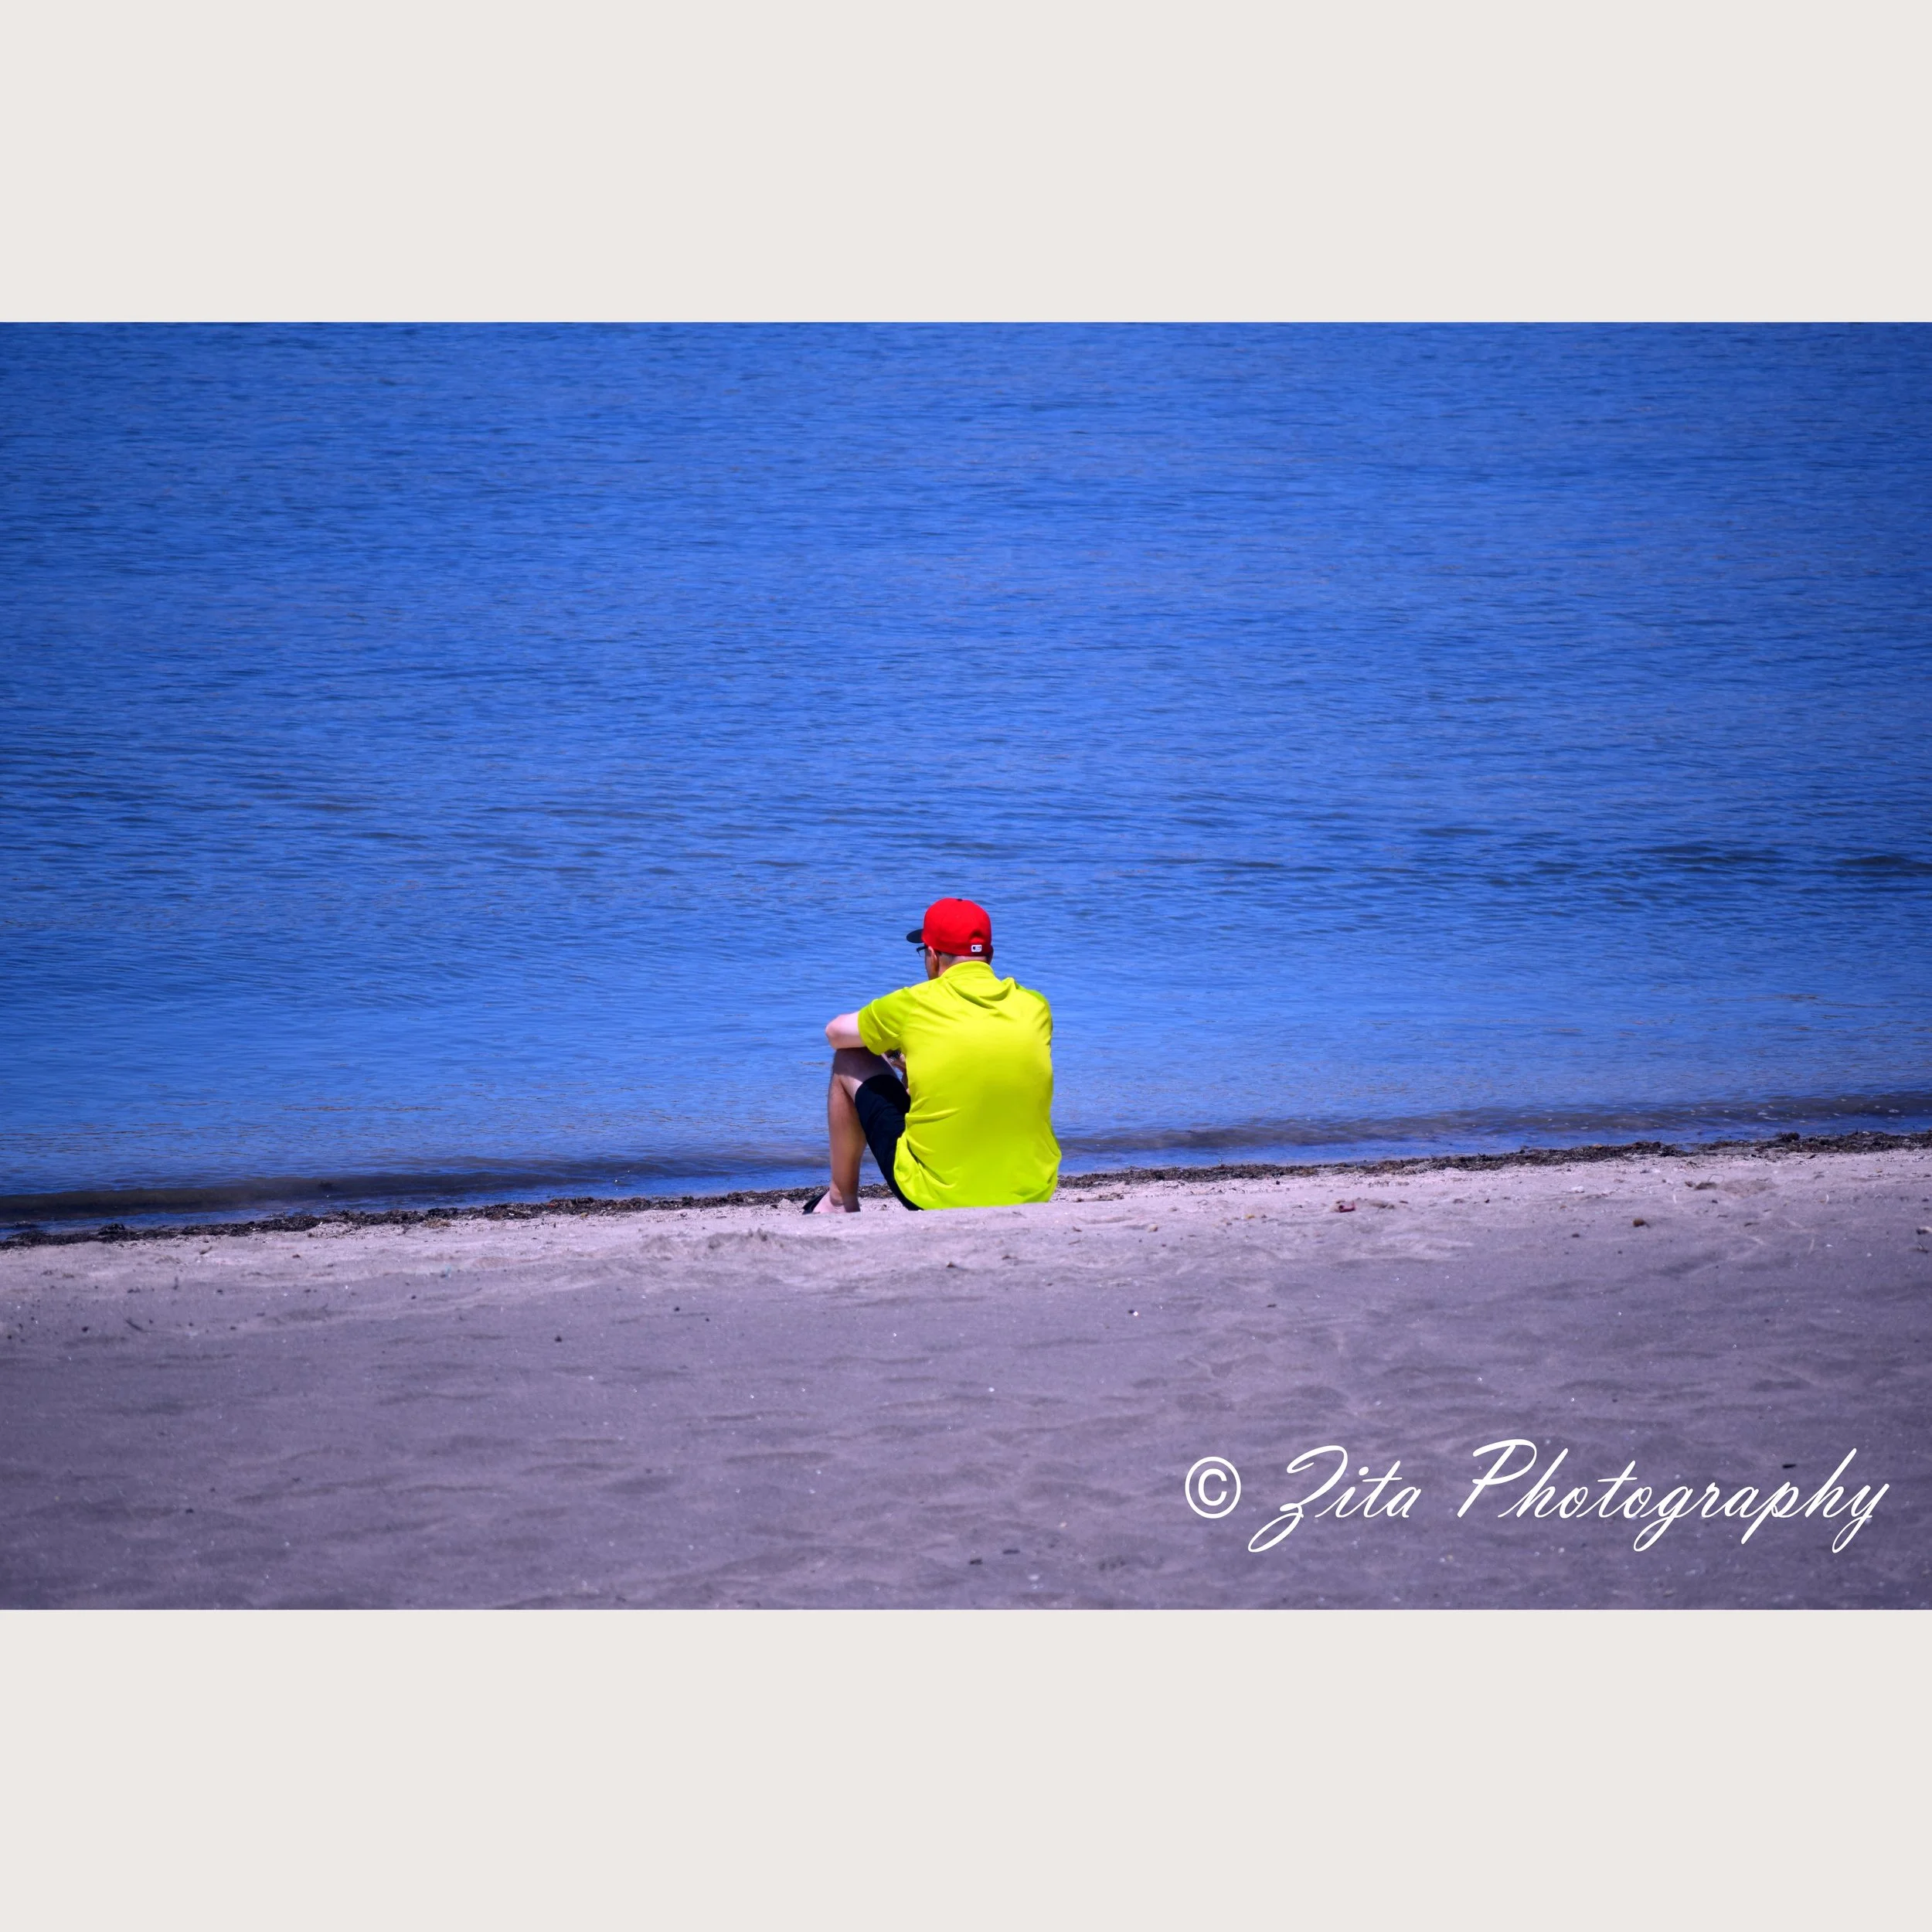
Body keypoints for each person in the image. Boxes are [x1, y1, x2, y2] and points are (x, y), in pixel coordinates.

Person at [809, 896, 1060, 1213]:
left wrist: (894, 1049)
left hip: (935, 1196)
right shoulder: (1036, 1006)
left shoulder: (914, 1002)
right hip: (1032, 1189)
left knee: (850, 1057)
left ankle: (839, 1199)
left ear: (931, 956)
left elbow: (835, 1033)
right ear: (990, 956)